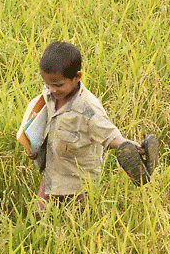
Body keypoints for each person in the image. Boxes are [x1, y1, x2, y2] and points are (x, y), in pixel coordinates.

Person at [28, 41, 143, 210]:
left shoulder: (88, 109)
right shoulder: (50, 96)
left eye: (58, 85)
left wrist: (125, 145)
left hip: (78, 184)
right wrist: (35, 146)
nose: (52, 89)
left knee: (76, 223)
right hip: (53, 176)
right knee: (42, 216)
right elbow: (43, 124)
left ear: (77, 77)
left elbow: (107, 134)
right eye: (48, 84)